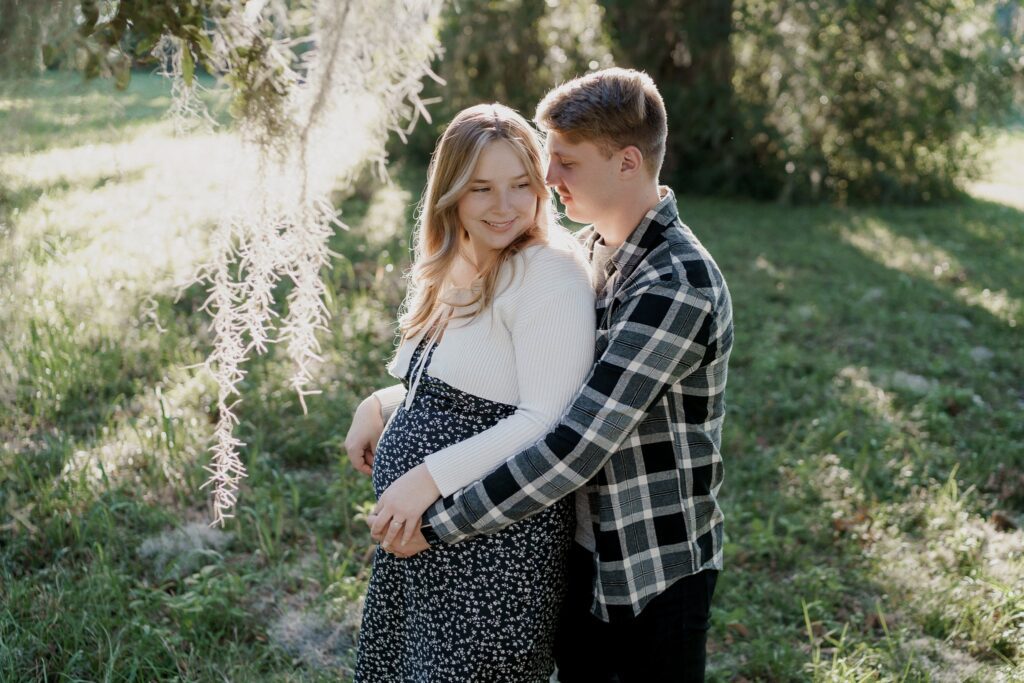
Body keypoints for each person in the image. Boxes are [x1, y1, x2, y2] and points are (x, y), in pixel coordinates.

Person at [351, 68, 734, 682]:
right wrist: (383, 404)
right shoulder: (591, 253)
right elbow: (495, 381)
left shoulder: (675, 284)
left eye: (564, 164)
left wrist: (437, 516)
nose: (549, 181)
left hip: (646, 563)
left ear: (628, 163)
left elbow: (574, 443)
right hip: (579, 543)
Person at [349, 103, 595, 681]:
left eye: (520, 185)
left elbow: (544, 419)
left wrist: (424, 480)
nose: (505, 206)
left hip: (491, 551)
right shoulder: (455, 262)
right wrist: (380, 404)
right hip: (419, 549)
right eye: (482, 188)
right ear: (451, 192)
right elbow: (454, 389)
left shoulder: (548, 272)